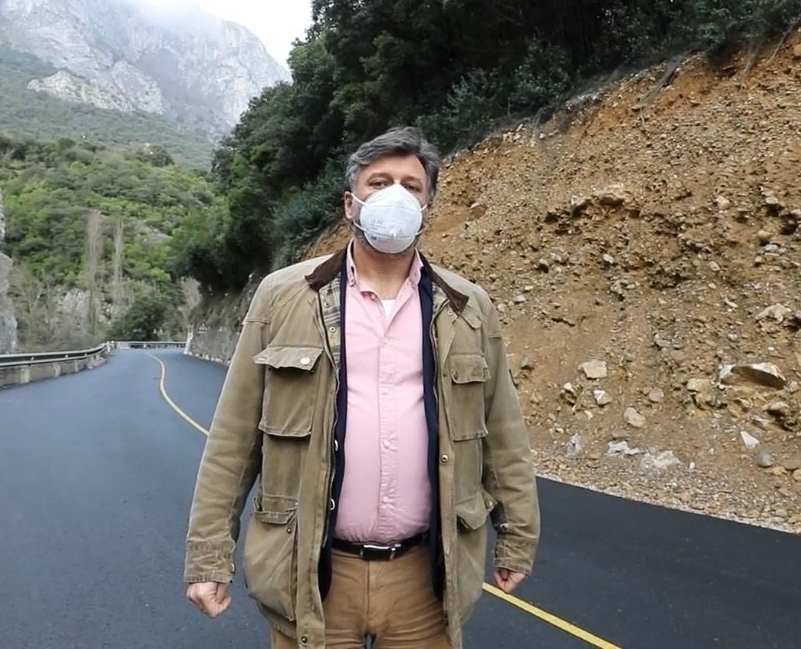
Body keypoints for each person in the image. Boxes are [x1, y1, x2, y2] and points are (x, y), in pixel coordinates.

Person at [183, 126, 541, 648]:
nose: (396, 195)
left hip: (426, 581)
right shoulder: (284, 297)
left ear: (427, 207)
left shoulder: (467, 306)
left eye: (411, 186)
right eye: (379, 182)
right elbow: (234, 440)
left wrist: (517, 537)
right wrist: (208, 556)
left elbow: (504, 434)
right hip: (311, 576)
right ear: (350, 203)